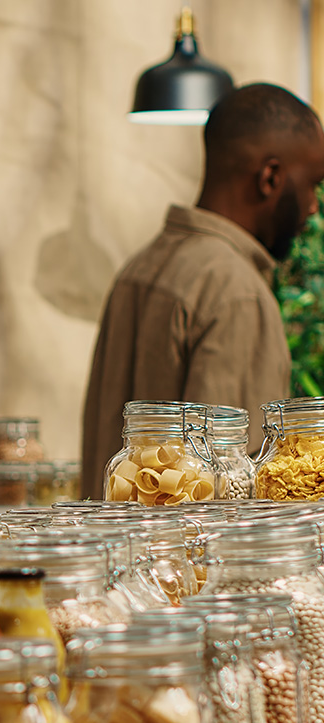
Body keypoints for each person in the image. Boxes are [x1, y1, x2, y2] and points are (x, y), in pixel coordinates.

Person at [80, 82, 324, 499]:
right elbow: (234, 483)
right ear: (270, 177)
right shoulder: (235, 290)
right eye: (311, 185)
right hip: (188, 562)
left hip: (117, 554)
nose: (314, 206)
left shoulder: (139, 267)